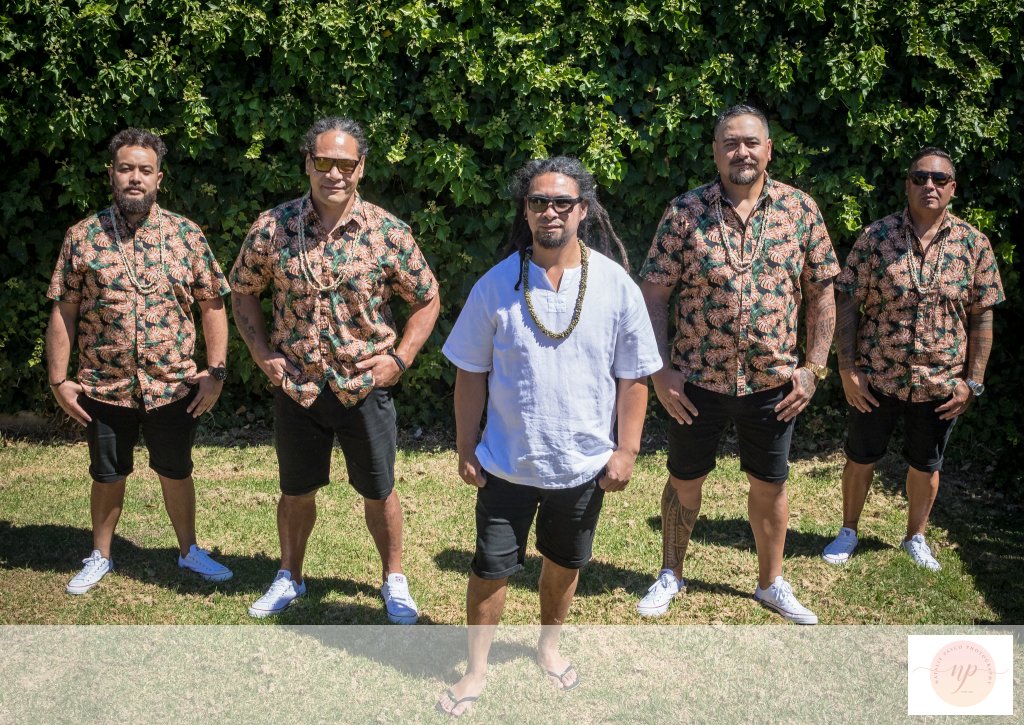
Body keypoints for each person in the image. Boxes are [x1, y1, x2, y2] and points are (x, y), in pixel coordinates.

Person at [436, 157, 661, 716]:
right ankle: (476, 670)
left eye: (563, 202)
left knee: (564, 562)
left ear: (584, 210)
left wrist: (627, 449)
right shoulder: (496, 285)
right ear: (526, 210)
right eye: (539, 201)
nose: (550, 211)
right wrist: (465, 447)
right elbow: (470, 372)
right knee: (490, 568)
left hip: (583, 464)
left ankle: (549, 647)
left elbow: (633, 376)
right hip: (506, 462)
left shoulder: (615, 285)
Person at [231, 116, 440, 621]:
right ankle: (290, 575)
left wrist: (399, 359)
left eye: (346, 164)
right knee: (295, 490)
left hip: (363, 385)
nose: (334, 174)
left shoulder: (387, 231)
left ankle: (393, 579)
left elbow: (428, 298)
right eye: (323, 161)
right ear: (308, 163)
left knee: (379, 490)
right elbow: (242, 290)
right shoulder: (273, 227)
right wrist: (261, 354)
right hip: (298, 386)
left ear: (361, 168)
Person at [637, 105, 839, 624]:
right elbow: (654, 294)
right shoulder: (685, 212)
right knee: (684, 479)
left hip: (773, 382)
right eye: (730, 143)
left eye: (751, 142)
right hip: (695, 381)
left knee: (770, 485)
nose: (741, 152)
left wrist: (814, 367)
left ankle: (770, 583)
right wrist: (660, 370)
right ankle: (671, 573)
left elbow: (822, 293)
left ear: (768, 149)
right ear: (715, 151)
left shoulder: (800, 210)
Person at [46, 127, 233, 595]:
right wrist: (58, 380)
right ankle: (100, 555)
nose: (135, 178)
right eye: (126, 168)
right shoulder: (83, 237)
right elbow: (64, 310)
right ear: (111, 173)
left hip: (172, 384)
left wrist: (215, 372)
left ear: (158, 178)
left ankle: (189, 550)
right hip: (104, 383)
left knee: (177, 469)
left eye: (144, 170)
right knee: (107, 473)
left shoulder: (186, 235)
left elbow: (212, 304)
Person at [822, 146, 1004, 571]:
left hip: (941, 383)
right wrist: (847, 369)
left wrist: (973, 382)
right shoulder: (877, 237)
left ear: (952, 188)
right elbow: (846, 302)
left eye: (939, 179)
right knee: (860, 457)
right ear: (908, 184)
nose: (929, 186)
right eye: (920, 177)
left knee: (926, 465)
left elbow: (982, 316)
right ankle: (848, 530)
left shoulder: (974, 244)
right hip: (877, 377)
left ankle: (915, 537)